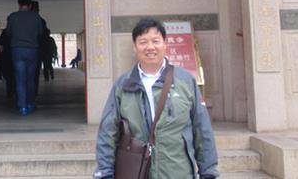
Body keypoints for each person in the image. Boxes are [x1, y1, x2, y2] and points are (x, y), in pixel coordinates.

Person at [93, 17, 219, 179]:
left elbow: (202, 129)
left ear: (165, 44)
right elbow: (108, 132)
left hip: (177, 172)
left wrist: (208, 172)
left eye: (155, 41)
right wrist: (104, 172)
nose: (150, 47)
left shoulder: (185, 81)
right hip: (137, 172)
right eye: (143, 42)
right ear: (135, 47)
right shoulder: (123, 85)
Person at [5, 0, 43, 116]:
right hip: (32, 50)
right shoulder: (36, 17)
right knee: (30, 79)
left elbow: (8, 33)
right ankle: (30, 103)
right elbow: (40, 32)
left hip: (17, 50)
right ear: (30, 5)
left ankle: (22, 107)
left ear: (19, 4)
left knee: (20, 79)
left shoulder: (12, 17)